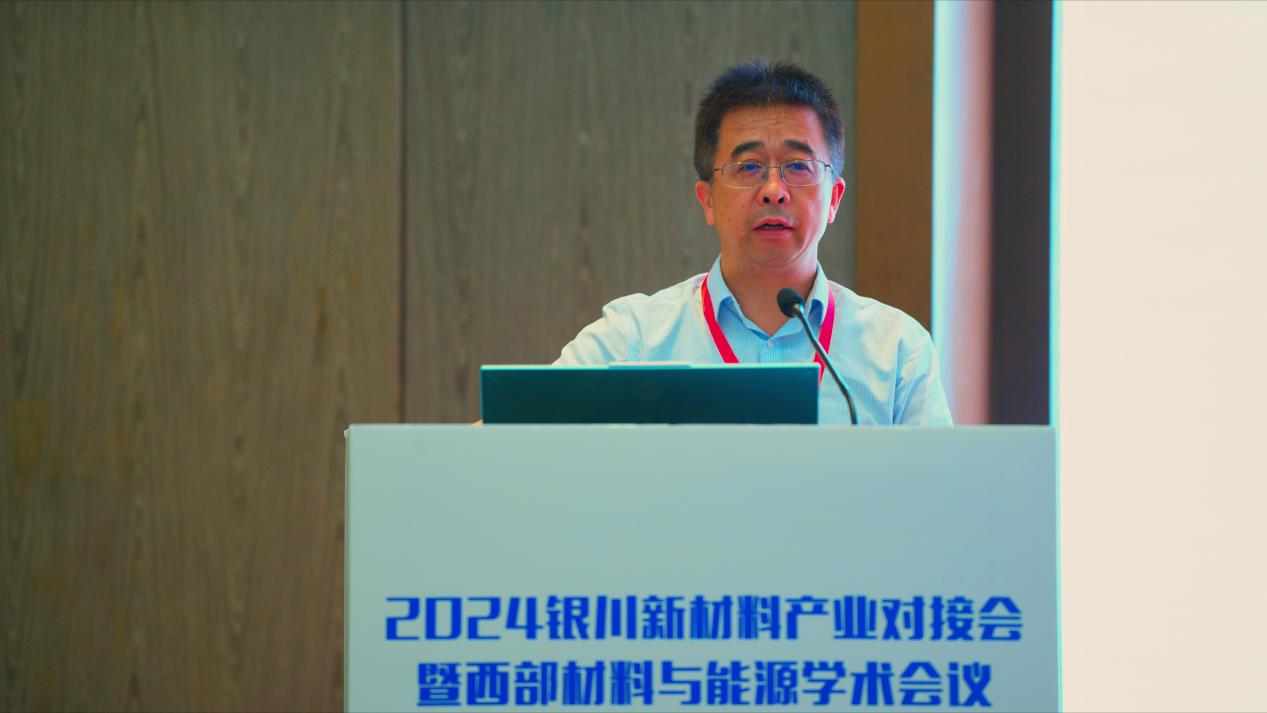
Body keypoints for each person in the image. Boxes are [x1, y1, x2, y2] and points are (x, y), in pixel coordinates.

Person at [555, 60, 952, 426]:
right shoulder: (633, 339)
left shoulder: (897, 351)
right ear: (707, 200)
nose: (774, 191)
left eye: (798, 166)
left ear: (834, 199)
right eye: (748, 167)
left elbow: (943, 479)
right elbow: (526, 436)